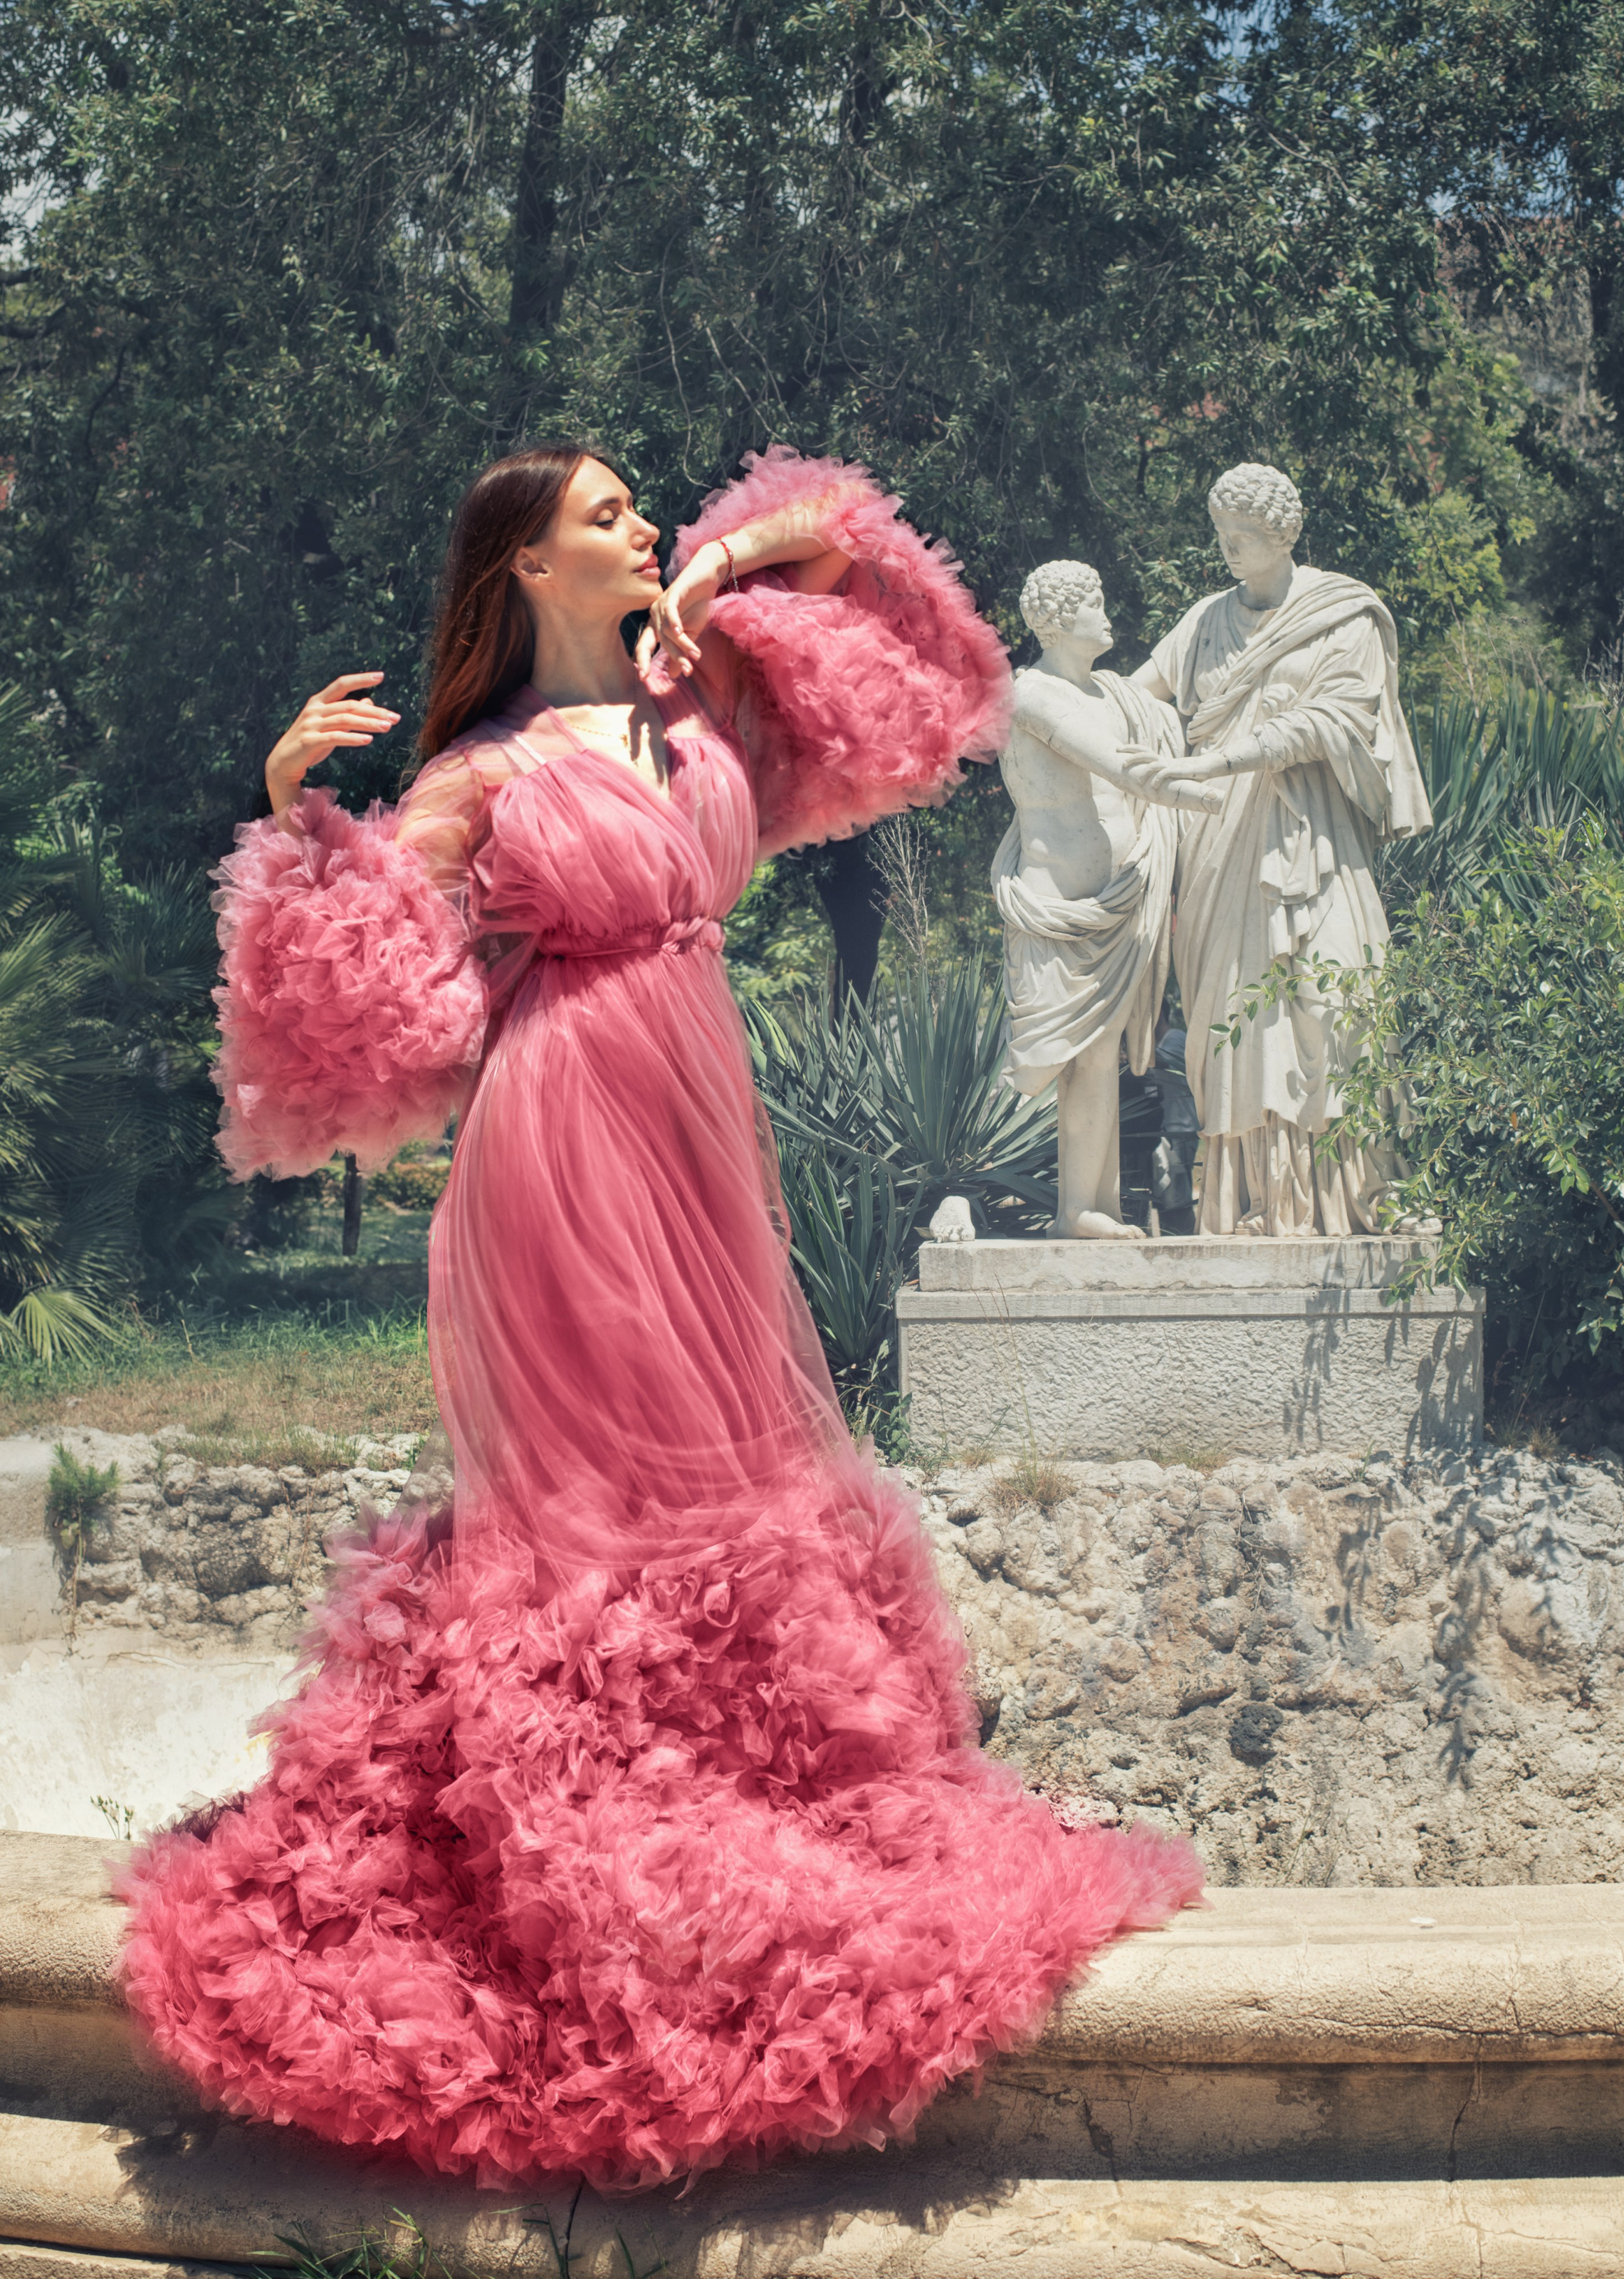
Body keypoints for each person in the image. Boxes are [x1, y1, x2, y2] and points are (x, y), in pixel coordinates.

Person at [118, 444, 1200, 2191]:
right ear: (527, 564)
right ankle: (575, 1857)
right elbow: (351, 1025)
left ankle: (732, 1805)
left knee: (723, 1483)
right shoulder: (478, 776)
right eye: (607, 516)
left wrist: (702, 578)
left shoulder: (703, 696)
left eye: (639, 510)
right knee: (597, 1519)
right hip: (560, 1146)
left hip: (698, 1137)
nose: (639, 526)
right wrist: (295, 816)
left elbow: (872, 581)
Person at [1125, 463, 1430, 1237]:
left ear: (1285, 534)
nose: (1229, 548)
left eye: (1245, 535)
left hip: (1314, 838)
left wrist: (1215, 761)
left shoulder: (1343, 613)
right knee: (1235, 1020)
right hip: (1218, 847)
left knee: (1338, 1004)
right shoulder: (1204, 621)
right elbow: (1133, 696)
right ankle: (1258, 1201)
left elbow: (1335, 718)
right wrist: (1051, 701)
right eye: (1221, 533)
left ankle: (1360, 1191)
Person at [992, 561, 1180, 1240]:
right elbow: (1117, 765)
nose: (1107, 614)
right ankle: (960, 1193)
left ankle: (1088, 1208)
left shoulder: (1113, 694)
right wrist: (1210, 786)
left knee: (1099, 1057)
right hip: (1055, 910)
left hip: (1114, 904)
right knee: (1038, 1059)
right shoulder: (1031, 695)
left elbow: (1176, 678)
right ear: (1058, 618)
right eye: (1094, 603)